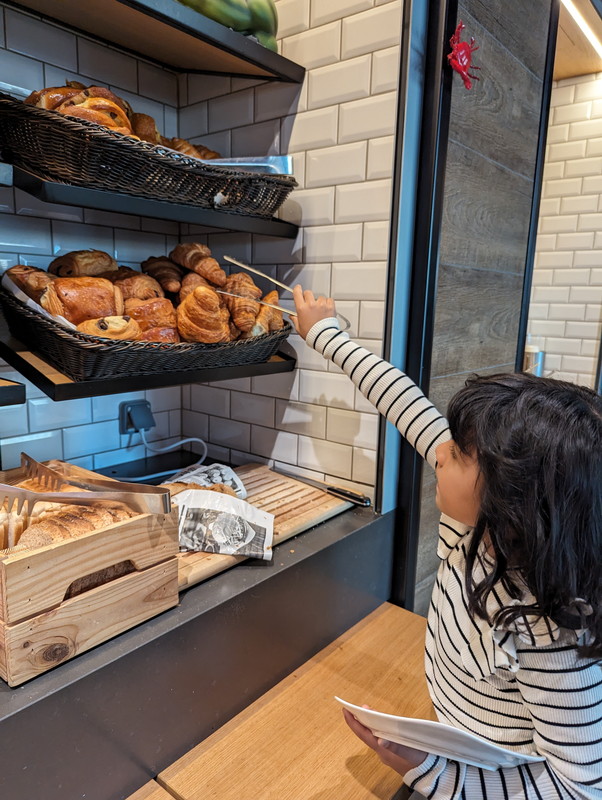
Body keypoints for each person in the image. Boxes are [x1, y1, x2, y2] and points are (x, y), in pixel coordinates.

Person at [292, 285, 602, 799]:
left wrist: (433, 773)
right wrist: (324, 333)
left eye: (458, 452)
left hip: (483, 775)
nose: (439, 453)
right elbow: (405, 404)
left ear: (512, 498)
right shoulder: (475, 525)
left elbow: (576, 789)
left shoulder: (555, 635)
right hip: (445, 724)